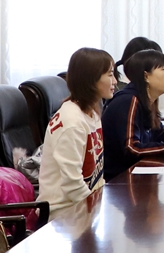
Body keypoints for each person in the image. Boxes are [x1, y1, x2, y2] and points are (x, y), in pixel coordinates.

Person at [37, 48, 116, 213]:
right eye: (110, 75)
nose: (115, 81)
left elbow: (97, 177)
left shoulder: (91, 114)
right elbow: (73, 186)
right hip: (63, 215)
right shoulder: (72, 121)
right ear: (91, 79)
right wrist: (100, 213)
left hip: (84, 207)